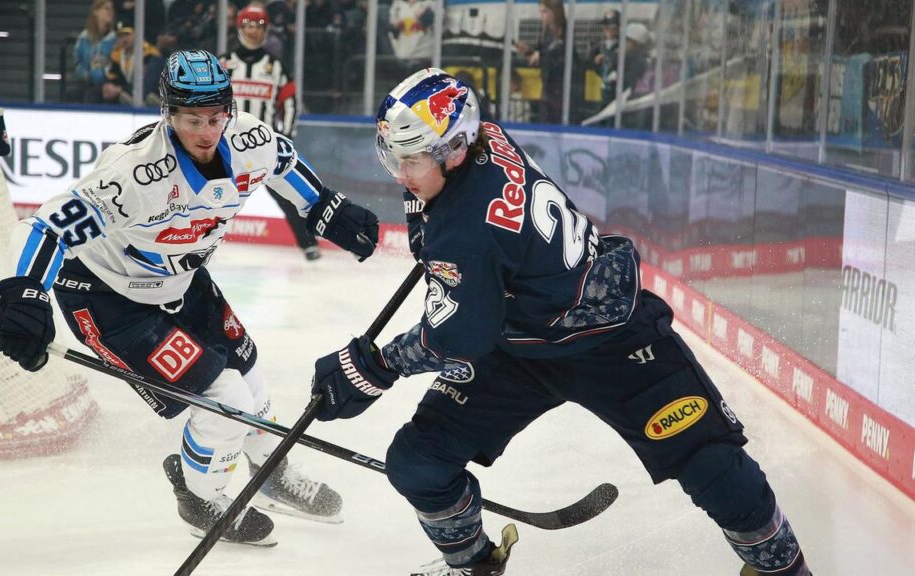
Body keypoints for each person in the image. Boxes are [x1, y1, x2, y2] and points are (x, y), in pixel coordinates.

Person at [309, 68, 811, 576]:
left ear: (455, 150)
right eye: (393, 156)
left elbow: (457, 335)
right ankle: (473, 567)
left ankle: (786, 572)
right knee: (419, 461)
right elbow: (458, 250)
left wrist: (372, 367)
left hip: (610, 339)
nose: (399, 174)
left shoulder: (466, 229)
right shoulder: (485, 138)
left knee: (715, 468)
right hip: (517, 344)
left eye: (411, 160)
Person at [0, 50, 380, 546]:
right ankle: (201, 497)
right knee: (224, 397)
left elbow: (282, 161)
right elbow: (44, 228)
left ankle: (271, 474)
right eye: (193, 119)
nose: (207, 131)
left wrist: (323, 205)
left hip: (182, 280)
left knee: (250, 375)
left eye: (216, 117)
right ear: (168, 114)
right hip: (108, 298)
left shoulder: (248, 137)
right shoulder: (133, 174)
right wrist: (25, 295)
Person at [224, 3, 320, 261]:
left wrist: (286, 137)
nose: (253, 30)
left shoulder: (276, 67)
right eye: (248, 24)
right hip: (224, 145)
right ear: (239, 27)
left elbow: (289, 103)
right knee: (207, 192)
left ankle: (309, 244)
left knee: (285, 193)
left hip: (263, 146)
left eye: (259, 25)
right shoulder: (224, 64)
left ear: (266, 30)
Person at [102, 22, 163, 106]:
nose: (124, 39)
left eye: (127, 34)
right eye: (120, 36)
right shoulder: (116, 55)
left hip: (151, 96)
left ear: (136, 34)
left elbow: (147, 86)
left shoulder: (150, 55)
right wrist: (109, 87)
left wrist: (120, 89)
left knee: (148, 97)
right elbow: (112, 78)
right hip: (129, 92)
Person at [67, 0, 117, 103]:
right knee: (72, 94)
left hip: (108, 83)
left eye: (112, 9)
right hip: (87, 81)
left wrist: (104, 75)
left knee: (93, 95)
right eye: (106, 8)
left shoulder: (115, 39)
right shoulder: (84, 37)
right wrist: (86, 74)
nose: (110, 12)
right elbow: (78, 61)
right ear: (95, 11)